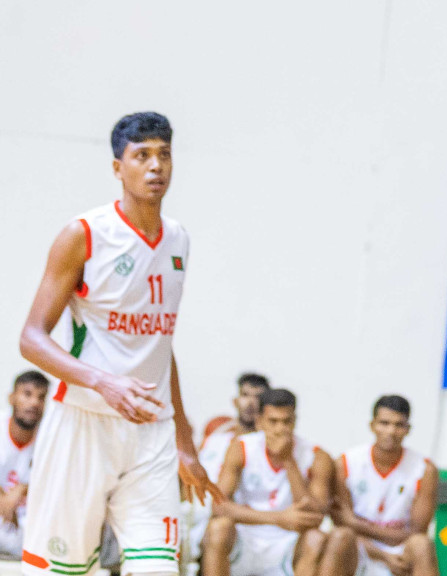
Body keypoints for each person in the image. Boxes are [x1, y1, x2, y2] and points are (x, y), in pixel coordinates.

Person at [18, 111, 219, 576]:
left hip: (151, 433)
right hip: (84, 422)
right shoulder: (84, 235)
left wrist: (185, 442)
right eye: (142, 155)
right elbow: (31, 338)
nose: (156, 166)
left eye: (164, 155)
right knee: (62, 571)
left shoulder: (178, 239)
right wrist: (104, 382)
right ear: (117, 167)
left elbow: (159, 346)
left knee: (158, 569)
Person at [204, 389, 332, 576]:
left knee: (316, 538)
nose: (280, 429)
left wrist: (289, 461)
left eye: (286, 421)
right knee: (218, 528)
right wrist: (278, 518)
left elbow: (315, 516)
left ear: (295, 421)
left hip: (288, 541)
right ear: (260, 421)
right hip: (247, 536)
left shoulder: (317, 456)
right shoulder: (241, 447)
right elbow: (219, 506)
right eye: (273, 421)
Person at [323, 396, 438, 576]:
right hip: (359, 548)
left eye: (399, 425)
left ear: (408, 429)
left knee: (422, 545)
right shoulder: (346, 463)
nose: (391, 431)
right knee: (340, 537)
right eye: (384, 423)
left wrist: (356, 523)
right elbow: (342, 526)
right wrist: (383, 556)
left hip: (400, 552)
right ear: (372, 425)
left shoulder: (424, 470)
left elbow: (416, 533)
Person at [188, 374, 271, 562]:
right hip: (196, 522)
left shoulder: (267, 449)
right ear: (235, 400)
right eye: (245, 395)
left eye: (257, 397)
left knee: (220, 529)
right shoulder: (213, 441)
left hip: (239, 528)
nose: (250, 403)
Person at [0, 372, 48, 560]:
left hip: (30, 524)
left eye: (41, 397)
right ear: (12, 398)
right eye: (27, 394)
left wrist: (22, 488)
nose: (34, 403)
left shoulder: (50, 437)